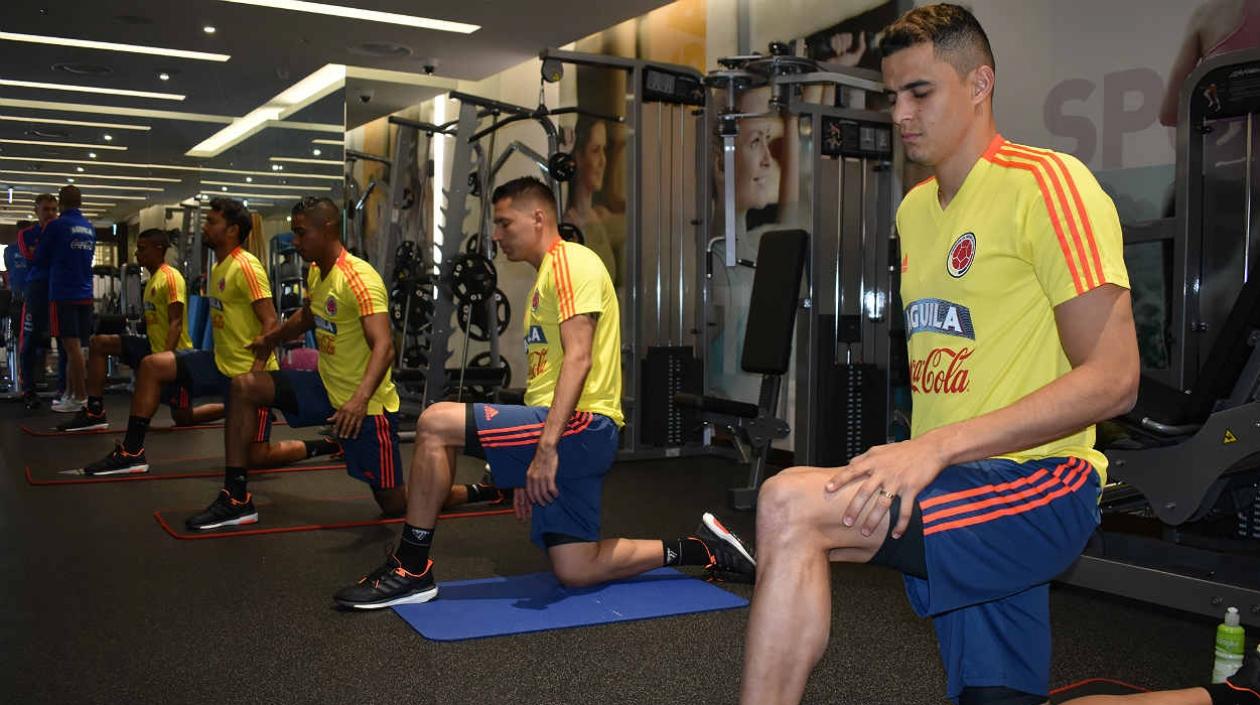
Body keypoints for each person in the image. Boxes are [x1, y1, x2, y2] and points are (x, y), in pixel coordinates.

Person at [734, 5, 1146, 705]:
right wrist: (933, 454)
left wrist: (932, 450)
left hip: (1040, 482)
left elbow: (1116, 380)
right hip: (957, 484)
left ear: (979, 83)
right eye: (891, 95)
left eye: (919, 92)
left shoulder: (1047, 184)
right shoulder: (915, 211)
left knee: (788, 502)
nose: (899, 114)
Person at [332, 177, 756, 610]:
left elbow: (579, 359)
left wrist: (547, 447)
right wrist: (522, 460)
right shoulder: (545, 279)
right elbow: (546, 380)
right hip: (571, 430)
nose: (496, 236)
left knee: (435, 422)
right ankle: (702, 549)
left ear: (537, 217)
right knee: (577, 568)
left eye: (503, 223)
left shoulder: (571, 263)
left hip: (584, 426)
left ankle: (411, 567)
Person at [183, 197, 399, 529]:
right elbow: (309, 316)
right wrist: (271, 339)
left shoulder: (358, 277)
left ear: (327, 229)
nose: (295, 243)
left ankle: (475, 491)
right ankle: (236, 498)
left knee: (396, 505)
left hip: (366, 407)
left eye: (301, 234)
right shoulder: (317, 271)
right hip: (324, 386)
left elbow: (385, 346)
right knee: (245, 387)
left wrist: (358, 401)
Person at [78, 198, 286, 476]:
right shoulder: (219, 267)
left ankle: (326, 446)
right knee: (153, 365)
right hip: (219, 362)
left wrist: (254, 377)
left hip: (248, 373)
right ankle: (132, 451)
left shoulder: (247, 265)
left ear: (233, 230)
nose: (206, 227)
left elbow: (271, 321)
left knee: (256, 457)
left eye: (212, 222)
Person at [57, 229, 224, 433]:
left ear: (159, 249)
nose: (137, 253)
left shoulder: (171, 278)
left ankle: (234, 407)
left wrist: (163, 360)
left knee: (184, 418)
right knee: (99, 343)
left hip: (175, 356)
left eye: (142, 249)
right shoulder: (152, 280)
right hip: (151, 347)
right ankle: (94, 411)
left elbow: (176, 323)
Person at [38, 186, 95, 414]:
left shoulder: (56, 226)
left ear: (61, 204)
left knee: (72, 349)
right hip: (84, 293)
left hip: (63, 293)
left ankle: (80, 396)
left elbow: (40, 257)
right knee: (78, 348)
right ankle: (71, 395)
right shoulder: (89, 227)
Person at [563, 116, 621, 286]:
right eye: (595, 150)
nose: (603, 161)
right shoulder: (568, 223)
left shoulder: (600, 216)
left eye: (604, 150)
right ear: (578, 157)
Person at [18, 194, 58, 411]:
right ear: (37, 211)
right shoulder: (27, 234)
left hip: (59, 289)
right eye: (46, 209)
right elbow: (34, 257)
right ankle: (28, 390)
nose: (50, 213)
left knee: (64, 339)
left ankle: (65, 390)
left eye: (53, 209)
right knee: (30, 340)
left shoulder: (62, 230)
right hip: (36, 290)